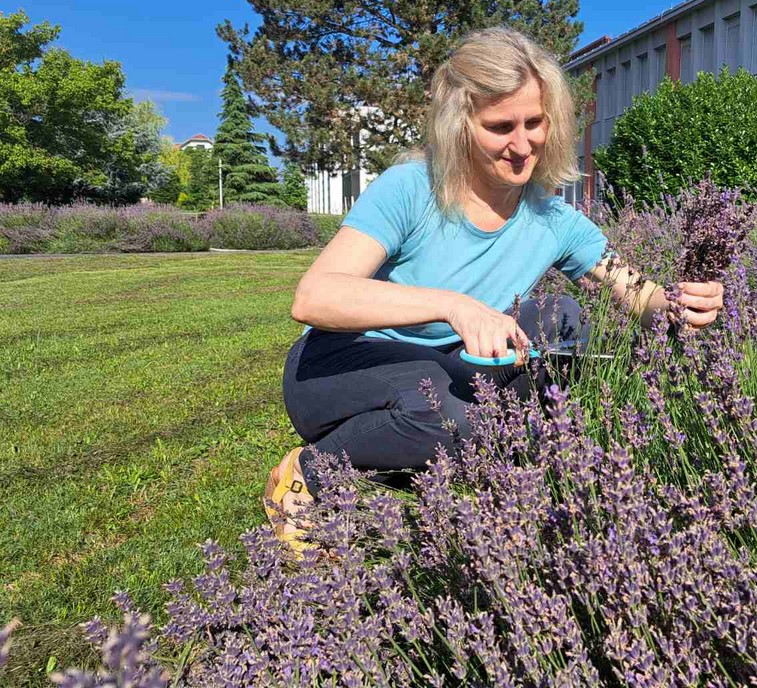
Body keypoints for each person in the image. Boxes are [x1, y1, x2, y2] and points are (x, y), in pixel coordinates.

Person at [265, 27, 724, 550]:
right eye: (500, 126)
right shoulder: (412, 189)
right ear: (460, 125)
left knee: (562, 315)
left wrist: (680, 304)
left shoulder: (552, 219)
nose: (523, 144)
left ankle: (459, 455)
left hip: (444, 368)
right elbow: (314, 298)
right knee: (445, 409)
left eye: (535, 122)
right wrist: (452, 306)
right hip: (336, 367)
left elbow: (637, 293)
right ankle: (308, 471)